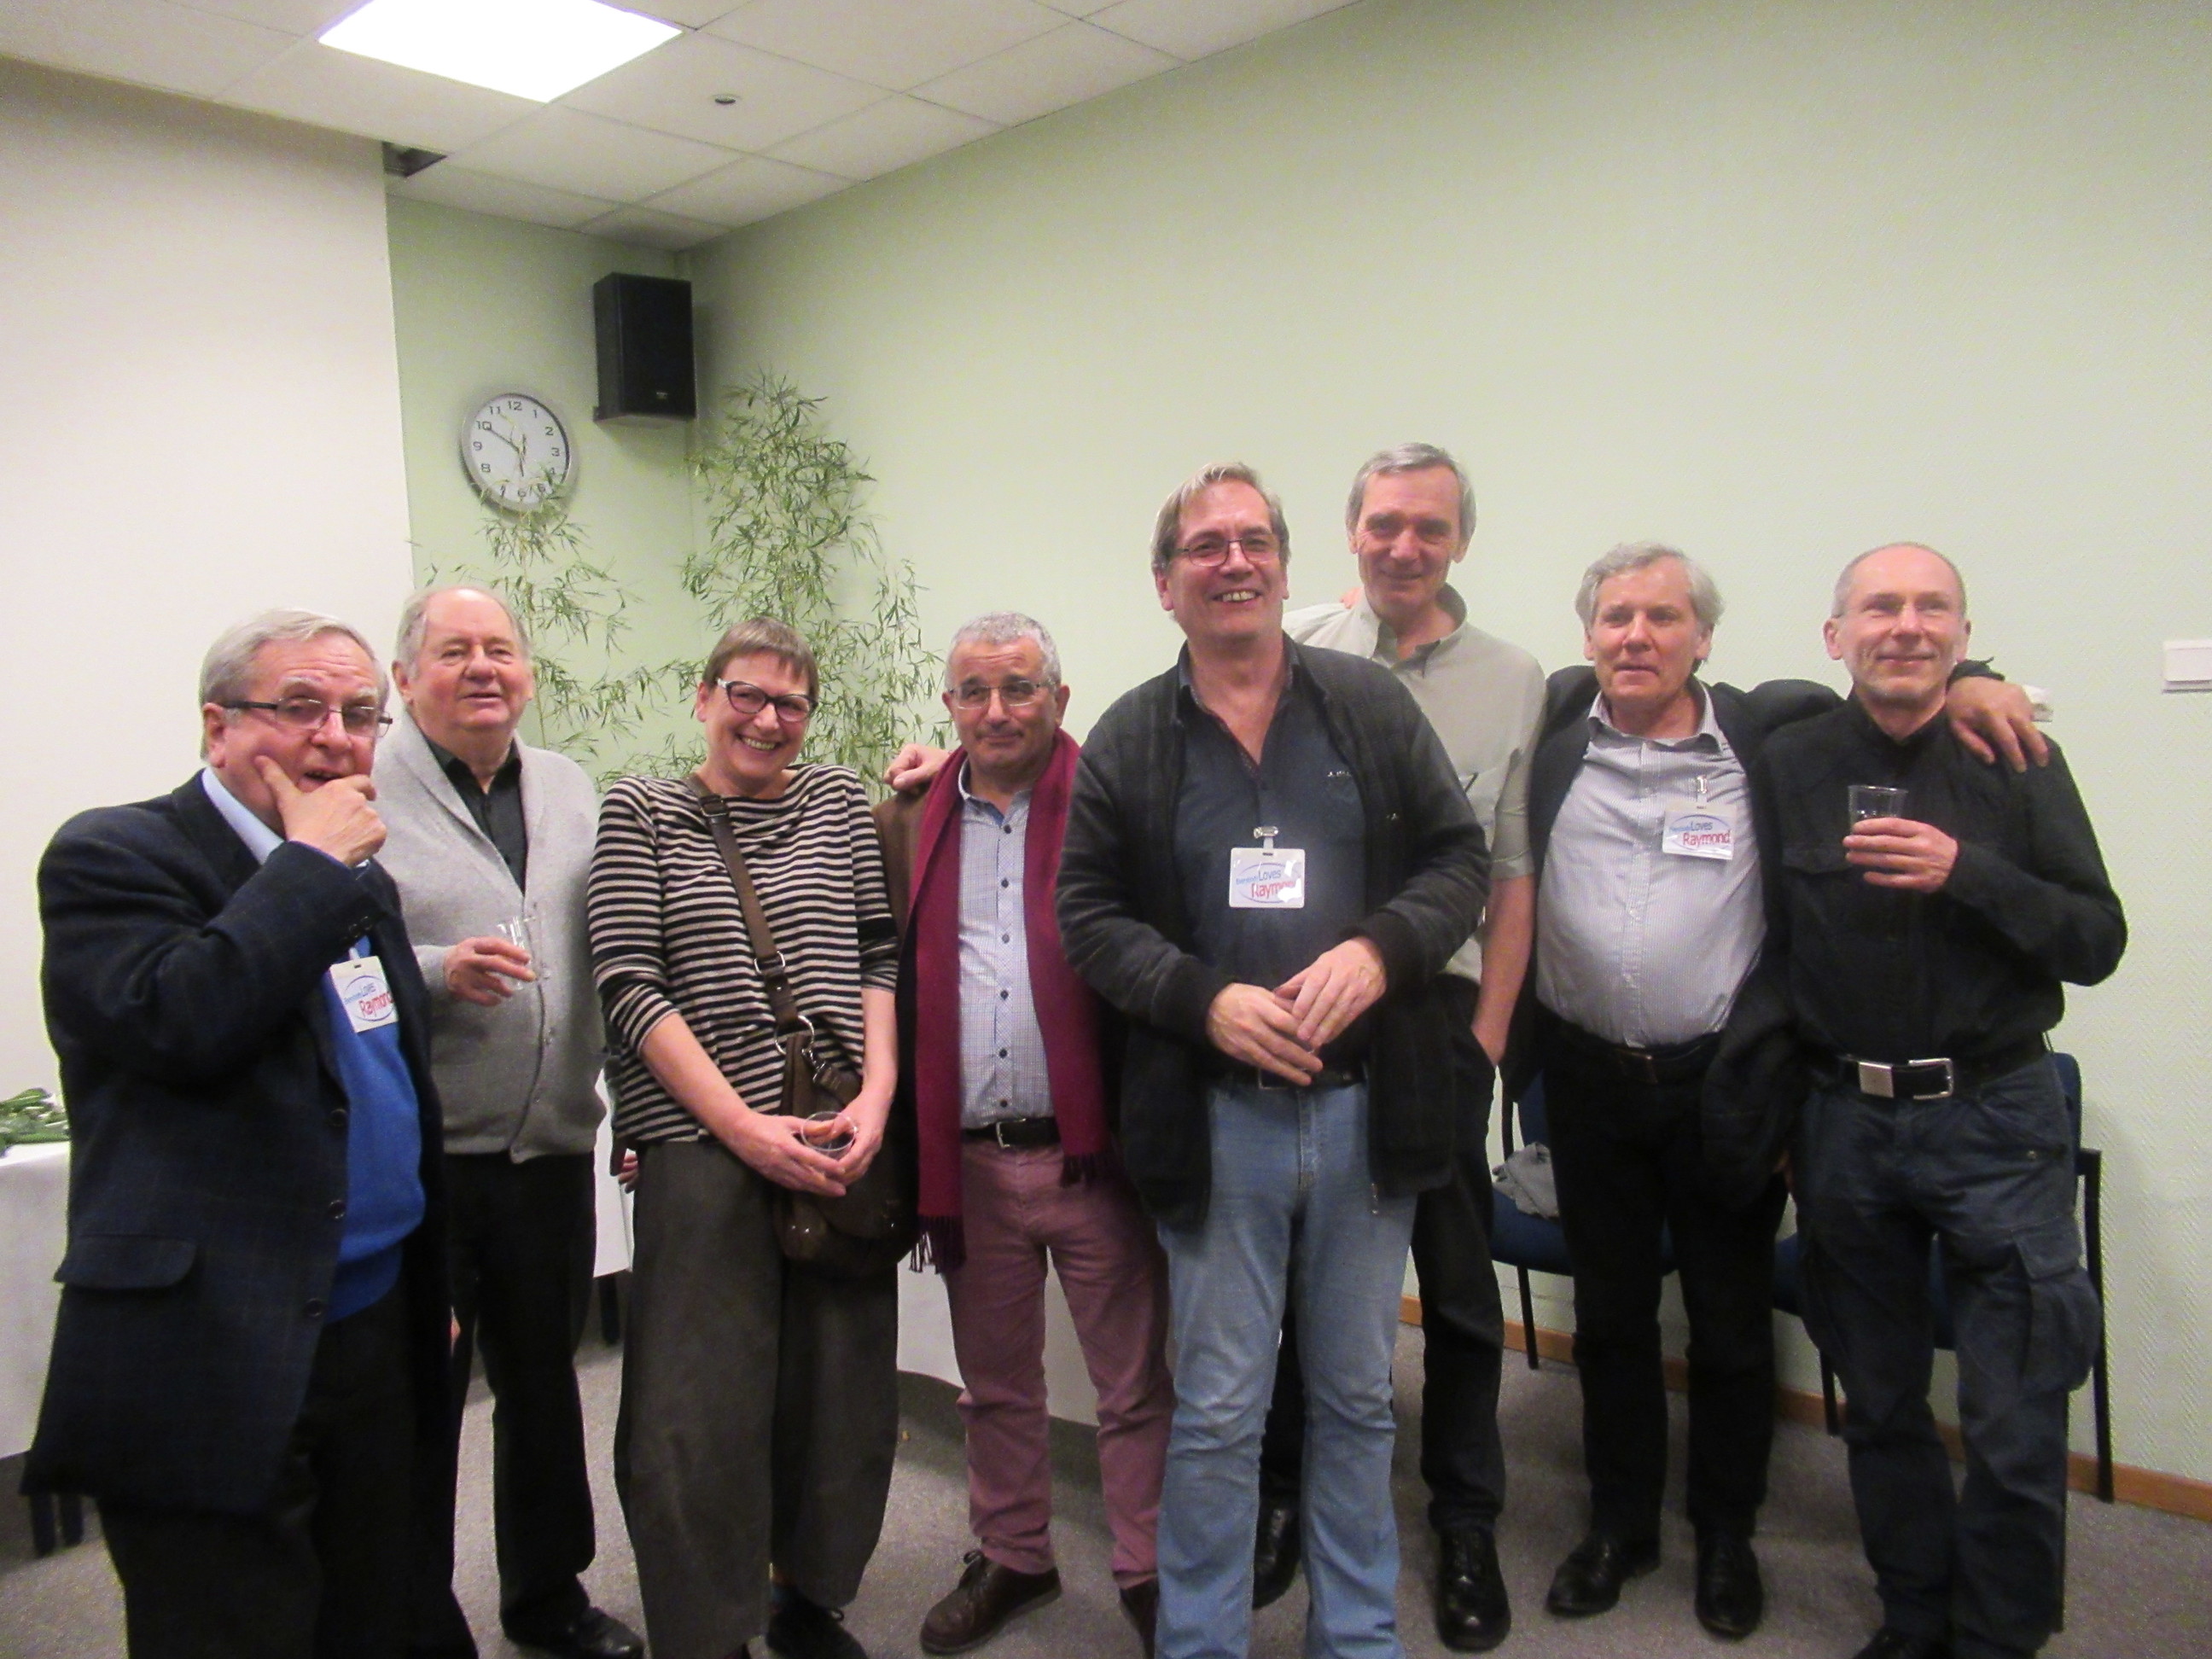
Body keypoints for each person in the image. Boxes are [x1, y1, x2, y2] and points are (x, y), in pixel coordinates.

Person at [1512, 543, 2045, 1642]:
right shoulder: (1552, 732)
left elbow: (1890, 682)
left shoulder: (1771, 736)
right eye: (1616, 617)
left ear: (1705, 636)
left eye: (1664, 617)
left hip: (1727, 1084)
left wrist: (1976, 673)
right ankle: (1620, 1525)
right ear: (1587, 636)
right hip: (1588, 1078)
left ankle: (1726, 1533)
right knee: (1610, 1321)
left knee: (1729, 1326)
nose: (1637, 637)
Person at [1057, 463, 1489, 1659]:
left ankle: (1356, 1635)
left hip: (1364, 1116)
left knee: (1355, 1396)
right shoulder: (1133, 737)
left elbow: (1458, 861)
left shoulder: (1366, 706)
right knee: (1218, 1408)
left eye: (1254, 541)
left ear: (1288, 568)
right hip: (1216, 1121)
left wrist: (1381, 951)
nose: (1234, 561)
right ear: (1166, 583)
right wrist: (1200, 1001)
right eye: (1206, 546)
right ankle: (1201, 1641)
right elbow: (1086, 914)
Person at [26, 608, 451, 1657]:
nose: (335, 738)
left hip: (371, 1319)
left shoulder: (358, 875)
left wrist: (423, 1287)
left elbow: (387, 1079)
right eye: (300, 707)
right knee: (230, 1623)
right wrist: (309, 868)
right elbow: (182, 1021)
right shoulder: (115, 853)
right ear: (218, 726)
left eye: (360, 714)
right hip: (214, 1338)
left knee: (375, 1610)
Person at [1757, 544, 2122, 1659]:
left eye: (1933, 609)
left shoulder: (2014, 752)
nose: (1906, 626)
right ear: (1836, 637)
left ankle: (1999, 1638)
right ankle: (1912, 1618)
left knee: (2015, 1416)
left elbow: (2096, 941)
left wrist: (1969, 871)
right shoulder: (1789, 759)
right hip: (1843, 1121)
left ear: (1964, 636)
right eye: (1881, 607)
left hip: (1996, 1117)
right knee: (1878, 1402)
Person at [1256, 443, 1542, 1651]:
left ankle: (1465, 1520)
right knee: (1292, 1274)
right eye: (1383, 525)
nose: (1403, 547)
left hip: (1435, 1019)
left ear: (1461, 539)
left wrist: (1487, 1039)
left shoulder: (1515, 678)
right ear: (1352, 533)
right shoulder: (1293, 643)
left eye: (1429, 527)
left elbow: (1512, 872)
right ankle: (1281, 1491)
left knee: (1460, 1290)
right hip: (1305, 1012)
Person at [587, 618, 901, 1659]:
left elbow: (879, 955)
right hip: (700, 1145)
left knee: (840, 1395)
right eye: (746, 695)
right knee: (694, 1411)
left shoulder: (839, 802)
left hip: (838, 1135)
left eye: (790, 703)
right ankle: (707, 1632)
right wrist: (739, 1125)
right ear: (704, 696)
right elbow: (629, 983)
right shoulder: (641, 810)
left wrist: (880, 1094)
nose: (767, 719)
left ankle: (807, 1599)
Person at [876, 613, 1173, 1658]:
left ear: (1060, 697)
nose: (996, 710)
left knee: (1133, 1385)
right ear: (948, 704)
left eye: (1020, 688)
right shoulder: (907, 819)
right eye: (974, 691)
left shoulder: (1115, 805)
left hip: (1096, 1156)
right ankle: (1014, 1555)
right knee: (996, 1387)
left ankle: (1149, 1565)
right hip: (969, 1163)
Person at [375, 586, 643, 1659]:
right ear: (405, 679)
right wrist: (438, 969)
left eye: (500, 649)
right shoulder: (359, 793)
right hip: (421, 1163)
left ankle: (547, 1596)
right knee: (420, 1401)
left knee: (544, 1385)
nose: (482, 668)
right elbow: (325, 954)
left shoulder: (571, 787)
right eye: (454, 652)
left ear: (527, 673)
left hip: (551, 1151)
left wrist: (632, 1104)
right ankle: (413, 1614)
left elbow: (612, 951)